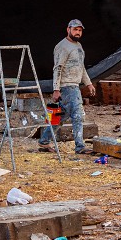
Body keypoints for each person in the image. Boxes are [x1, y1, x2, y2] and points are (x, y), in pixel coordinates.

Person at [39, 19, 97, 154]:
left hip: (74, 85)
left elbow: (81, 67)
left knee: (61, 117)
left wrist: (88, 83)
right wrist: (56, 89)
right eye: (75, 29)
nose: (77, 32)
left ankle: (44, 141)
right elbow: (57, 68)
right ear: (68, 29)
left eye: (80, 30)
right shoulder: (62, 46)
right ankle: (80, 146)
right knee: (78, 115)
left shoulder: (78, 46)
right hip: (67, 87)